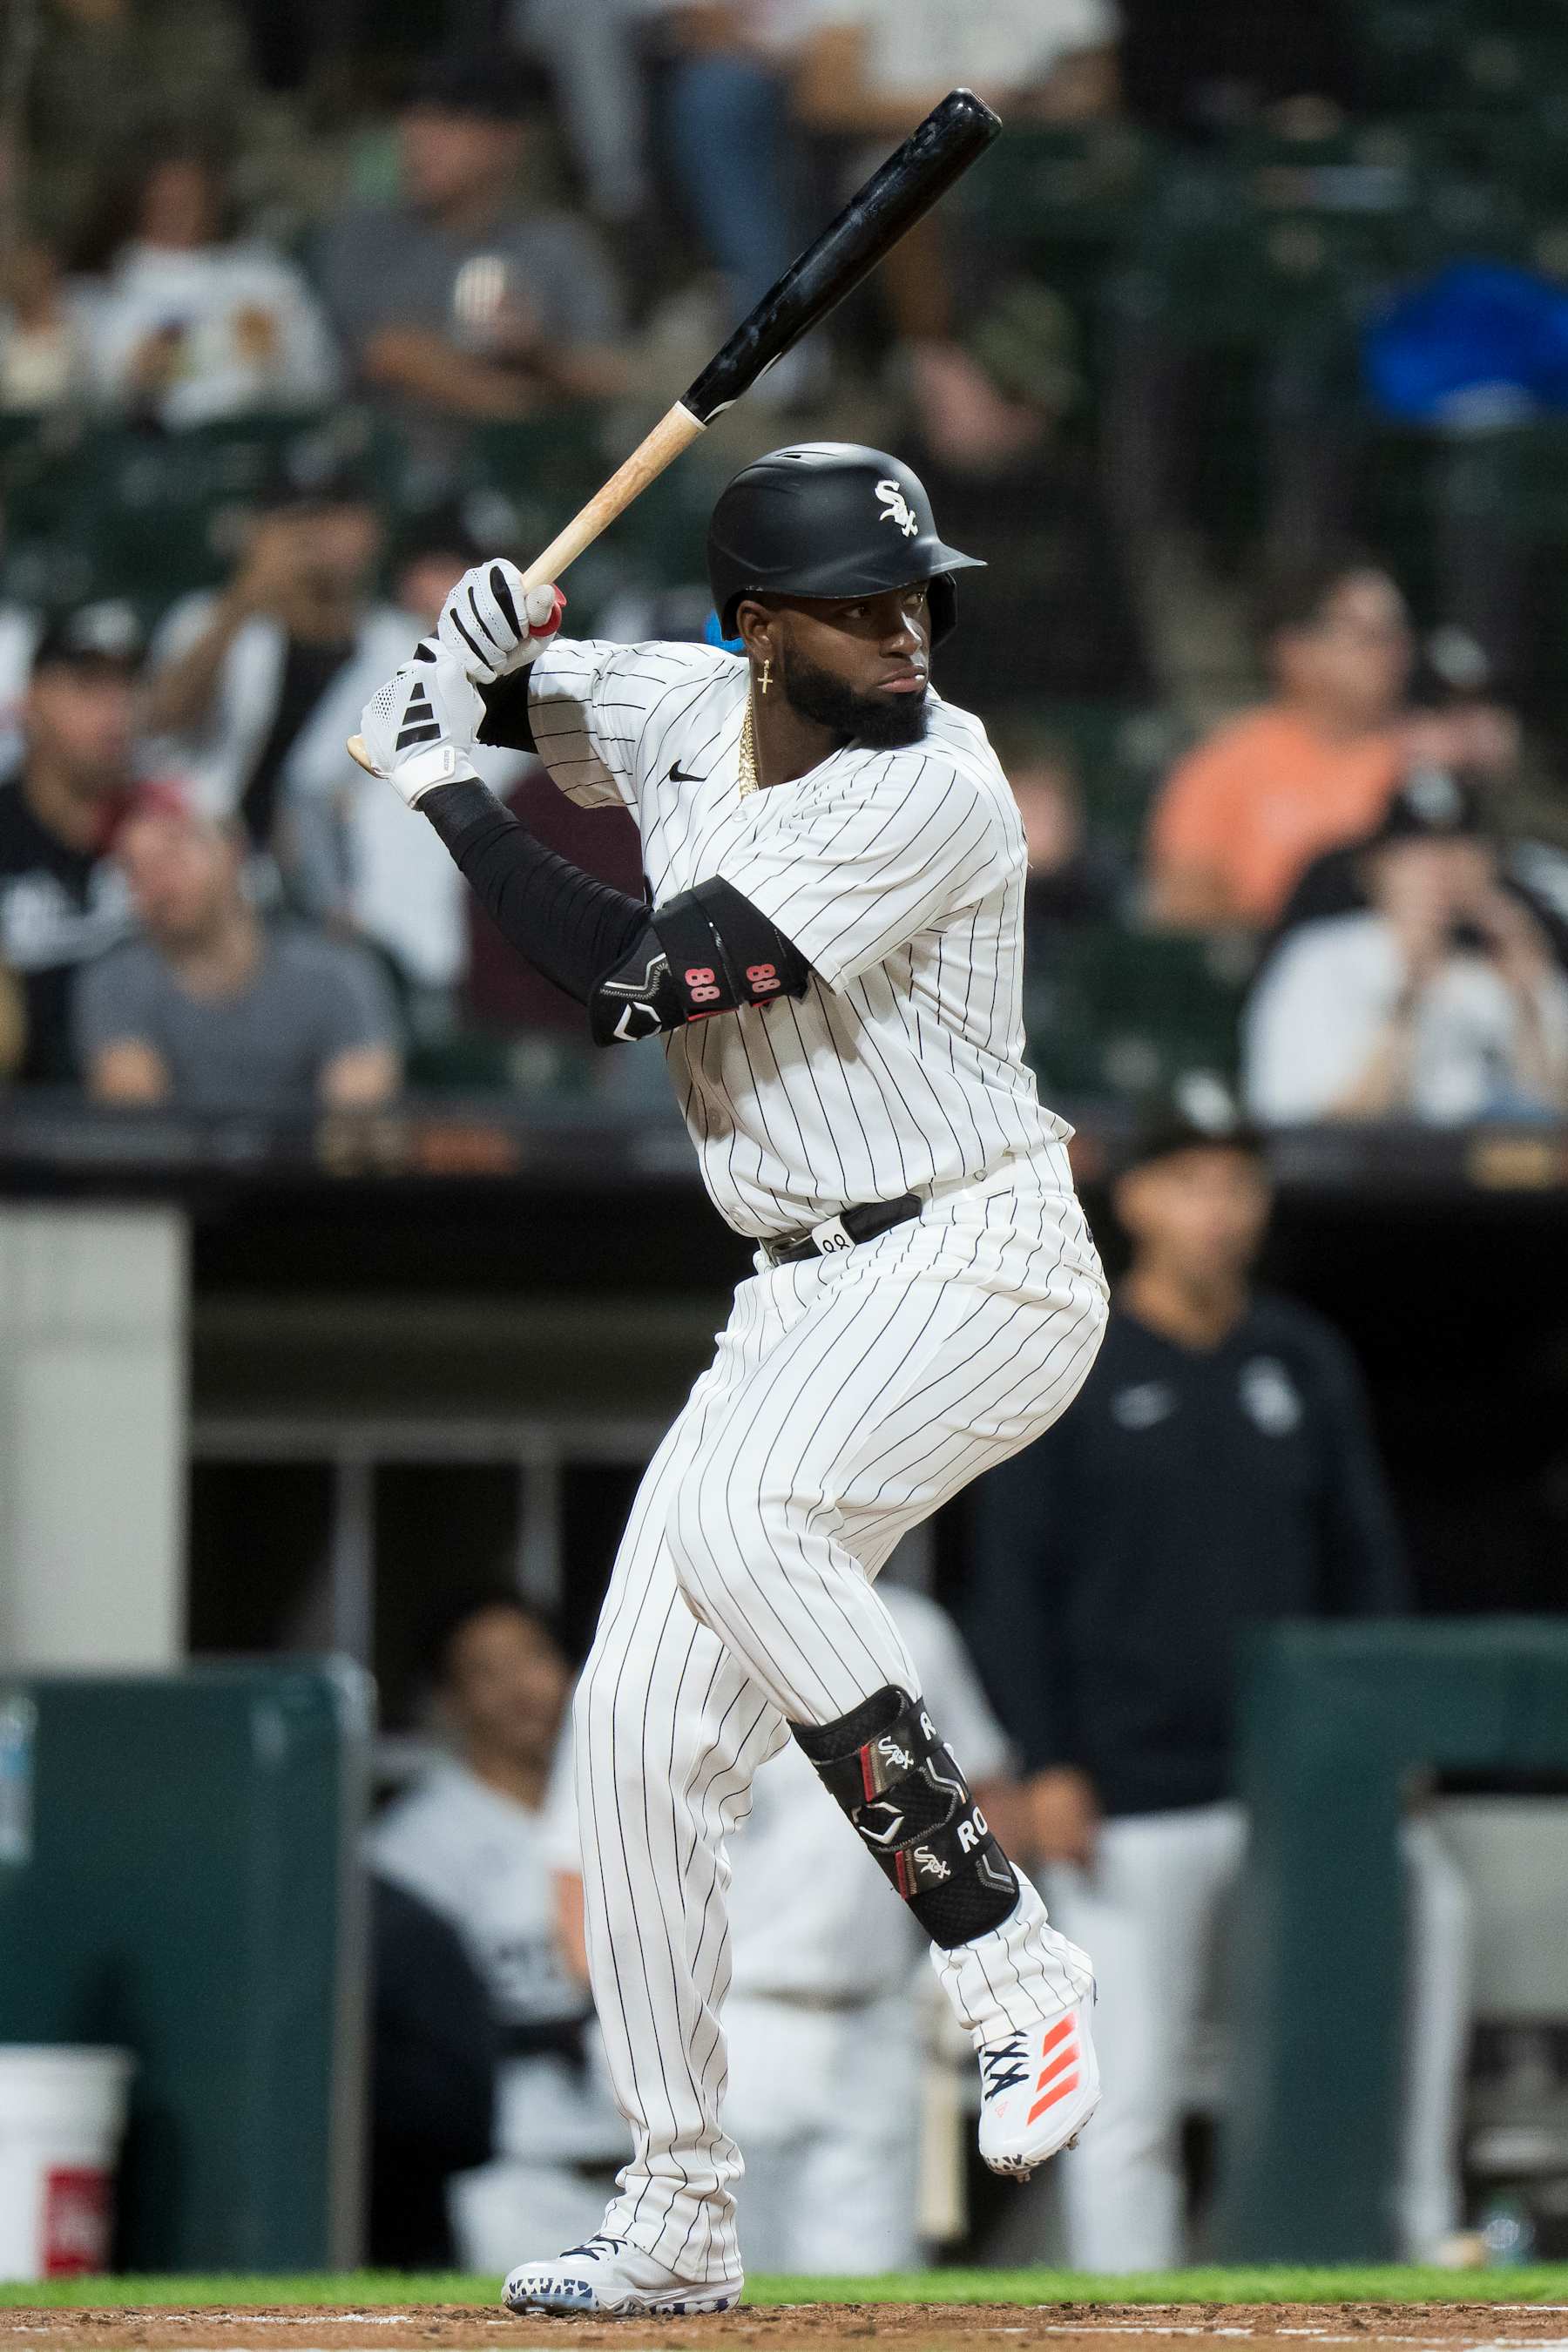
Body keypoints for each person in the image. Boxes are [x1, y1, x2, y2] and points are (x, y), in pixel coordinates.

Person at [355, 438, 1111, 2314]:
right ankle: (680, 2207)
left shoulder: (931, 785)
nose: (903, 630)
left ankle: (1008, 1956)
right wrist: (473, 635)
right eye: (859, 607)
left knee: (767, 1519)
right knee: (629, 1744)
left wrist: (447, 776)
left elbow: (622, 968)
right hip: (791, 1292)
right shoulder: (687, 700)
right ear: (758, 628)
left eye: (915, 595)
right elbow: (534, 678)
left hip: (975, 1248)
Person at [966, 1113, 1473, 2268]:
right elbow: (1013, 1584)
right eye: (1191, 1182)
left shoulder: (1299, 1355)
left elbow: (1364, 1560)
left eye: (1239, 1183)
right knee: (1131, 2088)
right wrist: (1043, 1760)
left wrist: (1388, 1743)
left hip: (1300, 1781)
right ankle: (1131, 2318)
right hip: (1131, 1790)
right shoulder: (1069, 1353)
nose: (1220, 1208)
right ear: (1135, 1200)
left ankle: (1417, 2259)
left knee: (1403, 1962)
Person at [550, 1573, 1018, 2274]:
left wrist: (973, 1956)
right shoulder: (649, 1643)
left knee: (874, 2304)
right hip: (720, 2022)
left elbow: (985, 1798)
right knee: (708, 2291)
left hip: (875, 2015)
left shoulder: (907, 1626)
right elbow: (579, 1873)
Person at [366, 1593, 625, 2271]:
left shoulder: (625, 1812)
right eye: (488, 1670)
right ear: (449, 1701)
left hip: (652, 2172)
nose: (522, 1688)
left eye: (535, 1659)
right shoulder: (415, 1845)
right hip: (517, 2169)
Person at [314, 51, 625, 429]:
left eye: (447, 120)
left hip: (537, 476)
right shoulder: (366, 233)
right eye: (411, 118)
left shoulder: (556, 242)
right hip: (389, 469)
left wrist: (536, 351)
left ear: (508, 139)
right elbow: (389, 354)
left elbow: (612, 374)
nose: (417, 137)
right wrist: (527, 404)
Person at [1244, 767, 1568, 1125]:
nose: (1440, 869)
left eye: (1457, 849)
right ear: (1375, 869)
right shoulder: (1320, 959)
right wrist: (1406, 998)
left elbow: (1552, 1120)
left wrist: (1528, 1003)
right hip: (1363, 1177)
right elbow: (1320, 1128)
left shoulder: (1511, 957)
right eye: (1416, 853)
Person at [78, 793, 400, 1111]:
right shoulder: (114, 981)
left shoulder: (334, 973)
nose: (157, 884)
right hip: (177, 1164)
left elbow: (357, 1130)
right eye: (136, 870)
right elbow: (136, 1134)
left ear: (233, 849)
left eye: (173, 855)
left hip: (299, 1163)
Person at [1147, 558, 1416, 933]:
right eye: (1369, 636)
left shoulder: (1425, 760)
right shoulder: (1228, 762)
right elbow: (1180, 904)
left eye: (1397, 634)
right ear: (1294, 650)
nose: (1393, 653)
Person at [82, 145, 340, 429]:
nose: (176, 213)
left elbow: (321, 382)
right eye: (164, 201)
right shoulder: (111, 299)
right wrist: (135, 379)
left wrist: (278, 355)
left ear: (212, 204)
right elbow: (96, 395)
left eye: (188, 200)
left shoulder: (265, 276)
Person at [0, 602, 142, 1085]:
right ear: (32, 700)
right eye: (87, 688)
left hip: (157, 1123)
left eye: (126, 687)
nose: (115, 709)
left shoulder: (168, 828)